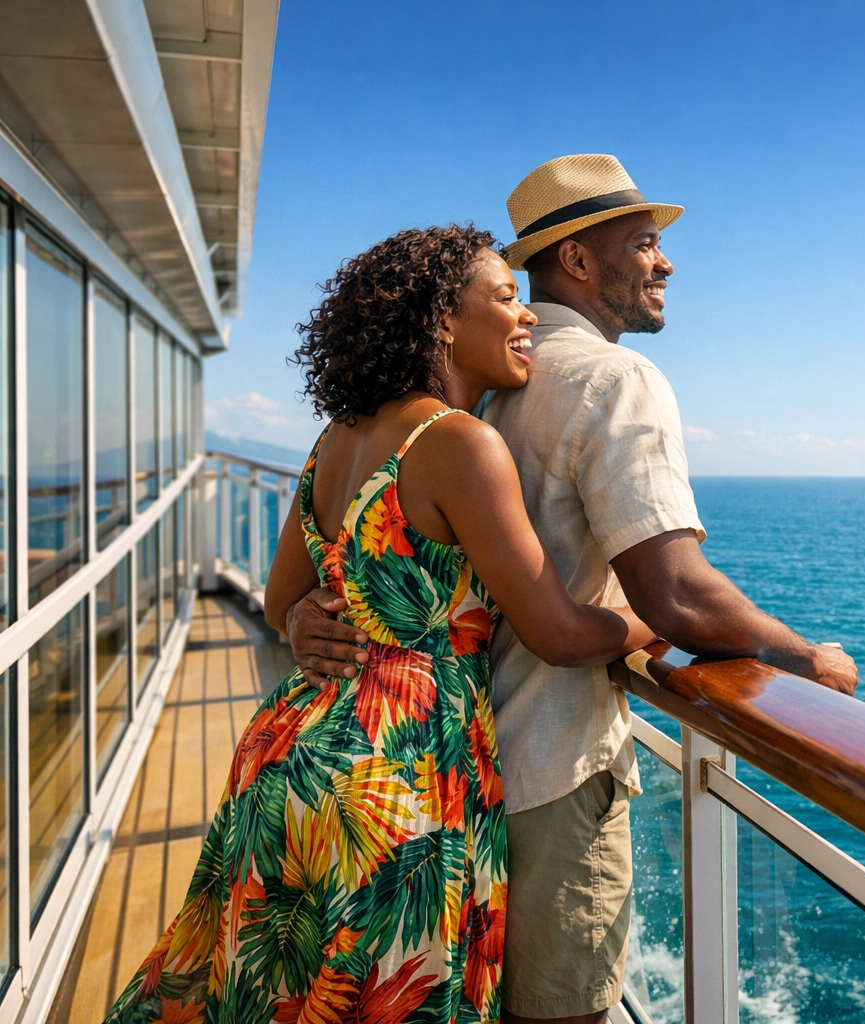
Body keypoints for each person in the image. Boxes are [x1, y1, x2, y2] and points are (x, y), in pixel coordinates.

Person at [283, 155, 858, 1024]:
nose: (665, 263)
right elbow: (676, 598)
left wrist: (299, 617)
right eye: (645, 243)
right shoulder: (600, 382)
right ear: (581, 261)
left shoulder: (463, 391)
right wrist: (802, 655)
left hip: (409, 771)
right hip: (541, 770)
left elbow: (330, 566)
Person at [104, 225, 655, 1024]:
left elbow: (278, 599)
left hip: (288, 753)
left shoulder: (337, 438)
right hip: (394, 785)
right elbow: (560, 634)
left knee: (265, 992)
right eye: (505, 297)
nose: (527, 315)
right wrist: (641, 626)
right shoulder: (460, 443)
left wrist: (304, 625)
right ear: (440, 321)